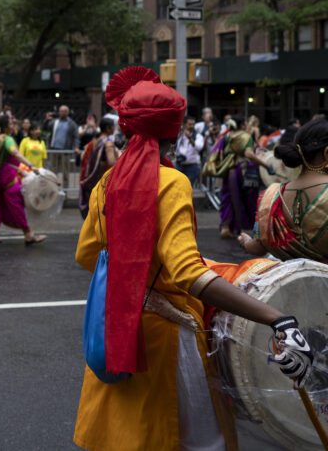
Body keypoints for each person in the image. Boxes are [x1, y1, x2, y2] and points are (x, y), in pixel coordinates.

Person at [74, 66, 312, 451]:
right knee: (198, 441)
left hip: (118, 326)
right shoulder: (172, 182)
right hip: (165, 342)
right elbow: (188, 274)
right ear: (174, 132)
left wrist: (139, 274)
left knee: (127, 437)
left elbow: (88, 253)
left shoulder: (108, 181)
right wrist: (276, 318)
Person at [238, 117, 328, 262]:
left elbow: (258, 247)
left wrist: (245, 242)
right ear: (326, 154)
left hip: (293, 281)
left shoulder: (272, 196)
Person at [0, 114, 47, 245]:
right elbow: (15, 153)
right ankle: (28, 234)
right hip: (7, 177)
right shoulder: (7, 139)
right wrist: (31, 166)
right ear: (5, 128)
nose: (13, 126)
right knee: (16, 203)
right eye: (11, 124)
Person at [209, 116, 273, 239]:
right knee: (246, 199)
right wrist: (266, 165)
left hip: (228, 170)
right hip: (242, 171)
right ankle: (248, 229)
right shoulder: (246, 136)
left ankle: (226, 227)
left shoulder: (227, 136)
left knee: (228, 198)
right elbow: (249, 154)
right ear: (243, 125)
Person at [78, 118, 118, 218]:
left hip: (94, 181)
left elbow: (83, 157)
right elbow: (111, 162)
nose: (114, 128)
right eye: (113, 126)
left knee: (94, 211)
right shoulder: (108, 142)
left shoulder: (94, 142)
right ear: (108, 128)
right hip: (104, 181)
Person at [45, 104, 77, 187]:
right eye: (61, 111)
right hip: (54, 150)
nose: (62, 113)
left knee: (65, 173)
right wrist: (47, 120)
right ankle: (52, 191)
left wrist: (76, 147)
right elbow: (45, 128)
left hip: (65, 151)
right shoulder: (55, 121)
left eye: (64, 111)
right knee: (52, 172)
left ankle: (65, 192)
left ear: (68, 112)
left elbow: (76, 137)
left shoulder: (72, 124)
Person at [173, 116, 203, 187]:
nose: (192, 126)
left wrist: (189, 137)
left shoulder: (198, 136)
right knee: (177, 187)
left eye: (193, 124)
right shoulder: (179, 135)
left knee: (187, 187)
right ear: (184, 124)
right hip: (179, 165)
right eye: (189, 124)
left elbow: (199, 147)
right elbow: (172, 144)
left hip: (192, 167)